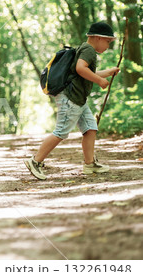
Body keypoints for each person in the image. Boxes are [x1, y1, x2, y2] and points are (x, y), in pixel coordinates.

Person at [25, 22, 120, 180]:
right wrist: (99, 81)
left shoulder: (84, 48)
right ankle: (35, 161)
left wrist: (107, 73)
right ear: (98, 38)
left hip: (78, 99)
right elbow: (80, 69)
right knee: (61, 132)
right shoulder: (89, 50)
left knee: (90, 128)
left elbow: (86, 72)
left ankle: (89, 164)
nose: (108, 46)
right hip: (71, 98)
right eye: (108, 42)